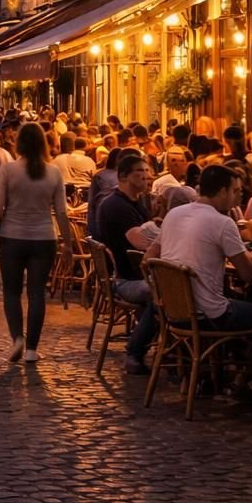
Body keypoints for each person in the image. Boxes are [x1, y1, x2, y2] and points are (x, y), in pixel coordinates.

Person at [0, 121, 74, 364]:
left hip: (11, 237)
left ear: (19, 143)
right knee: (37, 293)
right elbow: (62, 212)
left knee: (12, 292)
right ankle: (32, 349)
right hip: (44, 237)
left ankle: (17, 338)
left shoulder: (7, 171)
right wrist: (67, 243)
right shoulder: (54, 172)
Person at [148, 164, 252, 335]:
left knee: (237, 298)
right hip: (210, 316)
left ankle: (233, 353)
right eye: (236, 191)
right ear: (222, 192)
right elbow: (247, 274)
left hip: (172, 310)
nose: (240, 196)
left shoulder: (174, 214)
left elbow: (149, 256)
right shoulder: (222, 222)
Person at [99, 153, 157, 374]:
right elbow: (140, 241)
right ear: (122, 176)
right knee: (164, 294)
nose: (146, 176)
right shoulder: (115, 205)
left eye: (147, 171)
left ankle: (171, 351)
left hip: (141, 274)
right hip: (126, 280)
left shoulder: (138, 202)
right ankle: (135, 352)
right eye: (139, 172)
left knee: (177, 292)